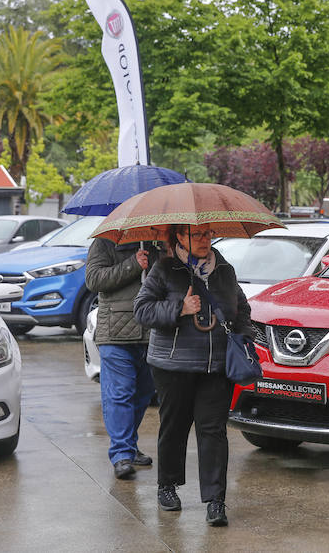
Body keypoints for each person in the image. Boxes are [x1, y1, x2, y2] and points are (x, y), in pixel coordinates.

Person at [133, 223, 252, 527]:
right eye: (196, 234)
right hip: (174, 365)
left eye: (208, 234)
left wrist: (242, 336)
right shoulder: (164, 269)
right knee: (174, 427)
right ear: (179, 238)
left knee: (213, 431)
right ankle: (167, 485)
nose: (204, 240)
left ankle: (215, 500)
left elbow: (242, 308)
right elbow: (142, 311)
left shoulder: (224, 269)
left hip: (216, 366)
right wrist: (179, 308)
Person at [85, 237, 158, 481]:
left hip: (151, 331)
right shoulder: (104, 242)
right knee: (120, 393)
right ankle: (121, 455)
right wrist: (133, 264)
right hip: (115, 332)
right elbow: (94, 280)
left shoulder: (155, 240)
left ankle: (129, 444)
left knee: (143, 394)